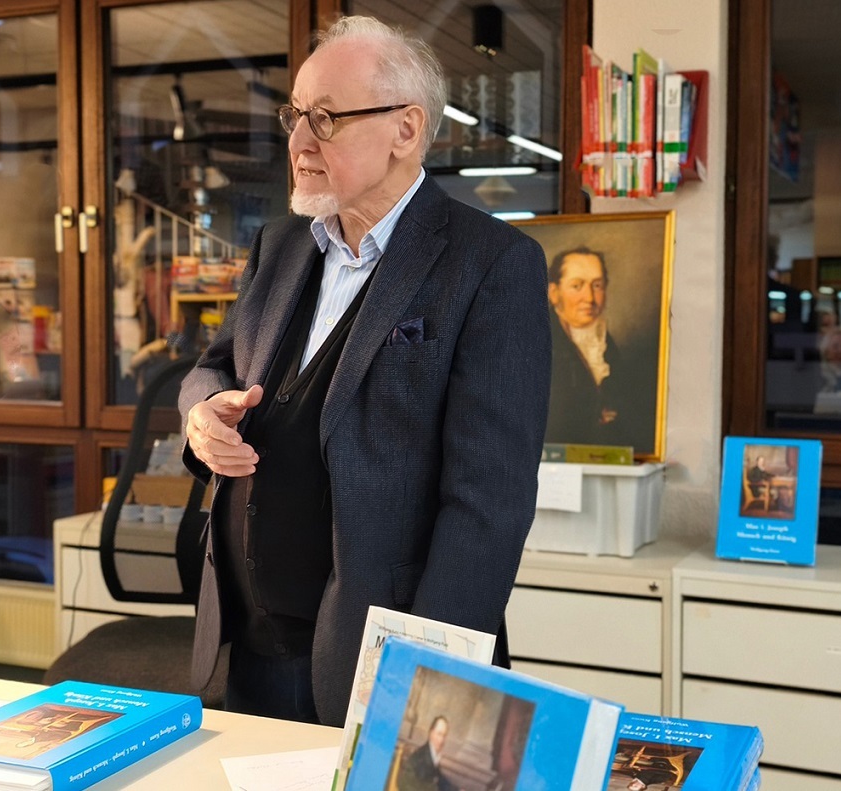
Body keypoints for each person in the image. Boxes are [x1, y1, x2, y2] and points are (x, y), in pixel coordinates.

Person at [178, 15, 551, 727]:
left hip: (378, 664)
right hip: (248, 641)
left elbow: (489, 504)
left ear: (405, 131)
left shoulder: (491, 264)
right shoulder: (281, 244)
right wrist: (201, 415)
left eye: (325, 117)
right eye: (294, 115)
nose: (297, 141)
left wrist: (427, 682)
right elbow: (213, 366)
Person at [544, 247, 634, 446]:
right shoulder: (539, 340)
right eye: (577, 286)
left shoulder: (607, 343)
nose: (590, 298)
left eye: (597, 285)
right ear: (554, 292)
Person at [397, 716, 458, 791]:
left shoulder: (432, 755)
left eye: (444, 736)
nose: (441, 740)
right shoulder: (421, 756)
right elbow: (405, 785)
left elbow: (440, 780)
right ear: (431, 733)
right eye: (439, 734)